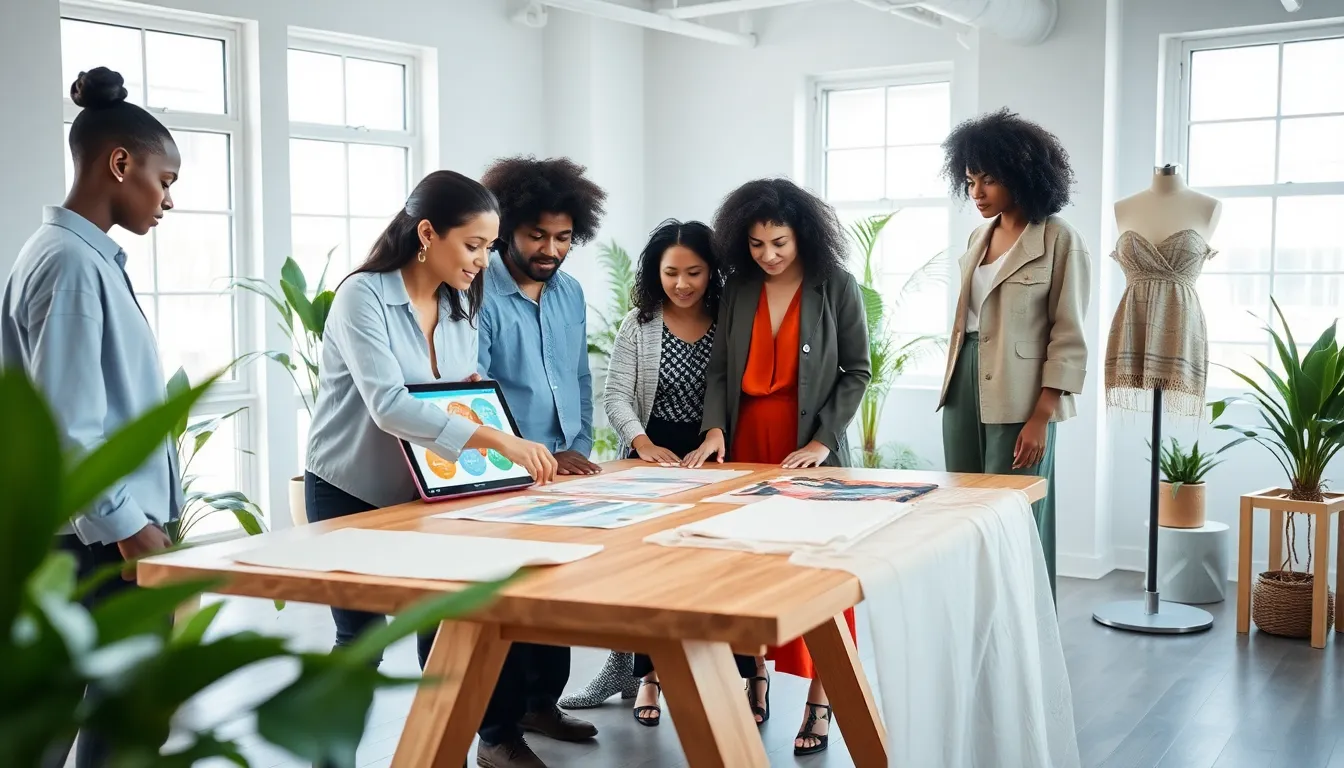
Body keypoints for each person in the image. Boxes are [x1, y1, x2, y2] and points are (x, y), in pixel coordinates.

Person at [301, 170, 558, 767]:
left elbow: (453, 393)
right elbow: (389, 405)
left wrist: (471, 398)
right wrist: (497, 437)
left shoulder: (458, 303)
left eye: (490, 247)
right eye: (473, 245)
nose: (483, 260)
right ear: (426, 234)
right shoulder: (362, 297)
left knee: (446, 625)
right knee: (361, 637)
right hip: (351, 487)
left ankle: (472, 747)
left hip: (427, 493)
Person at [1, 67, 181, 768]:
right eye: (165, 180)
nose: (168, 200)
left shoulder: (77, 257)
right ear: (120, 163)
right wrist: (132, 532)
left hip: (94, 542)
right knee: (116, 728)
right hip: (96, 550)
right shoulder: (71, 264)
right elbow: (69, 431)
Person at [683, 178, 871, 755]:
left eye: (780, 243)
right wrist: (715, 428)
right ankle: (753, 676)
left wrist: (822, 441)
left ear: (803, 236)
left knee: (820, 572)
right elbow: (718, 371)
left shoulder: (836, 285)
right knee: (746, 570)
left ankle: (822, 700)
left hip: (808, 447)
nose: (768, 255)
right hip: (747, 446)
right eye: (758, 243)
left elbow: (857, 371)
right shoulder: (738, 289)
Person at [562, 219, 755, 725]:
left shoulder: (728, 318)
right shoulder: (639, 323)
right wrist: (642, 443)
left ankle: (727, 674)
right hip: (653, 457)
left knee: (713, 568)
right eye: (671, 273)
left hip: (714, 455)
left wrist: (715, 438)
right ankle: (644, 677)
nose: (682, 284)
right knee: (648, 571)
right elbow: (616, 395)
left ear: (711, 272)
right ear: (656, 272)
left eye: (693, 272)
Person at [476, 156, 606, 766]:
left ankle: (540, 703)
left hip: (564, 466)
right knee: (504, 602)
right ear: (506, 229)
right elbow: (476, 390)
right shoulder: (479, 293)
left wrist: (577, 442)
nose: (551, 248)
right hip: (504, 470)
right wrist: (526, 453)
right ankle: (497, 733)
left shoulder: (571, 292)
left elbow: (579, 373)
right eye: (537, 236)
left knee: (554, 589)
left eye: (563, 237)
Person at [935, 108, 1090, 599]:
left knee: (1016, 510)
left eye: (989, 180)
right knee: (966, 508)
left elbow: (1069, 334)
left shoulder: (1059, 239)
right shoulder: (976, 238)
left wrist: (1042, 414)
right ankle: (979, 621)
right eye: (970, 180)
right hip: (964, 382)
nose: (977, 192)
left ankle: (1028, 629)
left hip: (1021, 393)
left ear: (1022, 175)